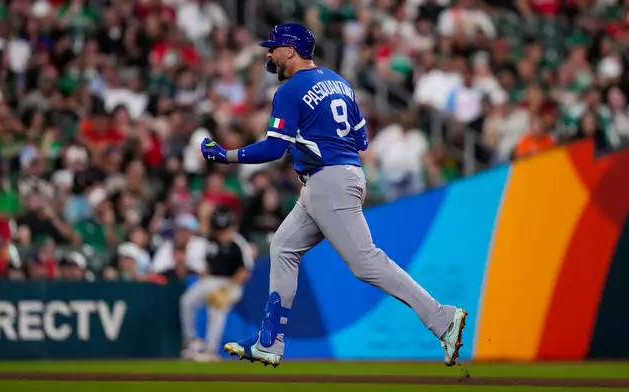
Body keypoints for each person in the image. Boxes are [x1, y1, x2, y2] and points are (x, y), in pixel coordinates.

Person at [200, 23, 467, 368]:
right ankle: (270, 340)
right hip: (336, 177)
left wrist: (226, 155)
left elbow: (273, 148)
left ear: (291, 50)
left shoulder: (291, 89)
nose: (269, 54)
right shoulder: (340, 82)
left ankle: (442, 318)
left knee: (366, 262)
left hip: (329, 181)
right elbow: (362, 141)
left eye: (274, 47)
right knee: (283, 246)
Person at [179, 206, 254, 362]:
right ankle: (192, 342)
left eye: (224, 229)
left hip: (231, 284)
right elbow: (207, 262)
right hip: (211, 280)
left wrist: (226, 289)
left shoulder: (238, 243)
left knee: (216, 308)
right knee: (187, 301)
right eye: (218, 229)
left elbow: (245, 270)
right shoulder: (210, 240)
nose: (221, 233)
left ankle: (211, 349)